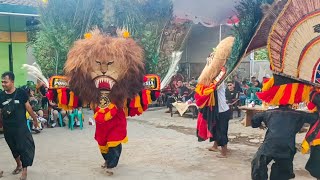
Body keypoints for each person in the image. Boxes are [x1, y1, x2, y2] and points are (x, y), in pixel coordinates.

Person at [251, 104, 318, 180]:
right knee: (282, 172)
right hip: (287, 148)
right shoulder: (299, 114)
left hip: (269, 146)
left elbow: (254, 119)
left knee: (258, 164)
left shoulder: (269, 113)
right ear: (292, 104)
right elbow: (315, 117)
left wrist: (259, 125)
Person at [0, 72, 38, 180]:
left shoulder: (21, 93)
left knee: (23, 148)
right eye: (2, 82)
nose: (3, 84)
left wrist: (35, 119)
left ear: (12, 81)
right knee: (13, 149)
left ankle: (24, 171)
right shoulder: (1, 95)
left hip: (21, 127)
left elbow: (28, 107)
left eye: (5, 82)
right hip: (8, 128)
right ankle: (19, 165)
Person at [207, 82, 232, 158]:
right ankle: (215, 146)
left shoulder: (219, 83)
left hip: (223, 112)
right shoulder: (214, 83)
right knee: (215, 129)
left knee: (222, 131)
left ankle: (224, 152)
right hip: (218, 111)